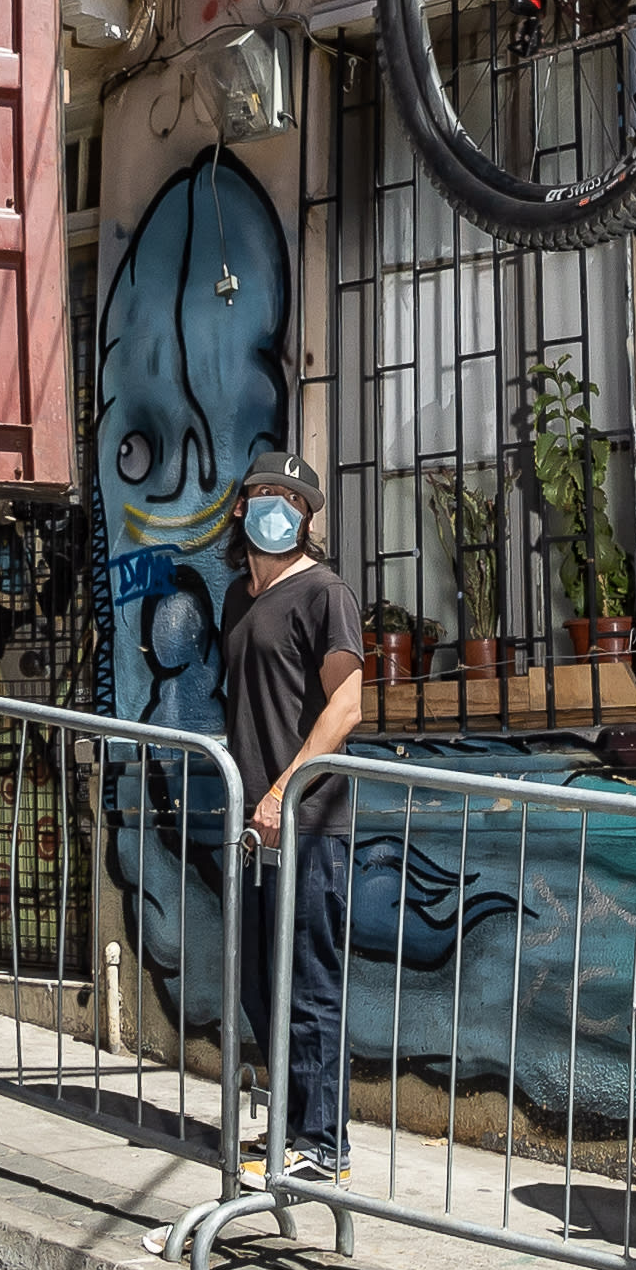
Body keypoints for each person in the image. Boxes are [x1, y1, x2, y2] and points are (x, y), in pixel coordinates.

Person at [220, 453, 368, 1189]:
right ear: (240, 505)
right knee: (259, 985)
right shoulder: (237, 598)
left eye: (294, 497)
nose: (278, 504)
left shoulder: (323, 592)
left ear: (307, 518)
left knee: (309, 986)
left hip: (308, 823)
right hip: (254, 826)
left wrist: (283, 791)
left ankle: (323, 1143)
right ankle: (290, 1124)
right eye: (266, 492)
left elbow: (348, 705)